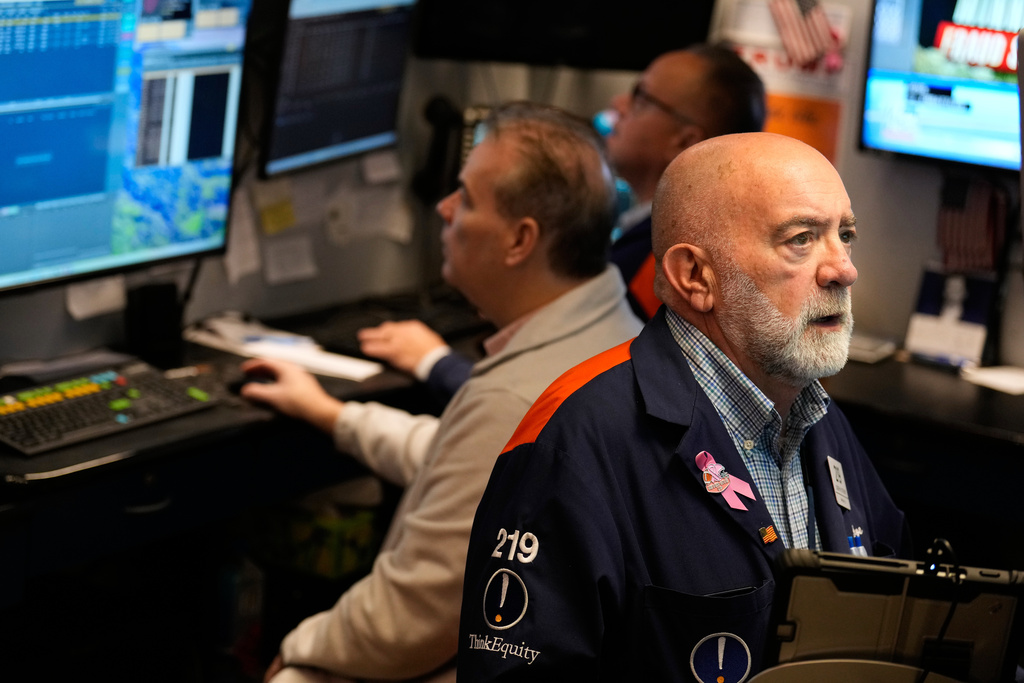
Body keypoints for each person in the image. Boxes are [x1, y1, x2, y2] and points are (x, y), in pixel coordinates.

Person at [456, 132, 912, 681]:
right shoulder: (574, 444)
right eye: (801, 239)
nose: (843, 269)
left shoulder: (817, 417)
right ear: (696, 276)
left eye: (845, 235)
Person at [240, 101, 643, 683]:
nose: (444, 208)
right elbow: (460, 464)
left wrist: (301, 643)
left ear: (519, 241)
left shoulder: (519, 396)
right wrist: (334, 415)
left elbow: (406, 621)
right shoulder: (610, 326)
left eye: (468, 199)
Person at [357, 42, 766, 401]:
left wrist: (434, 363)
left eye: (641, 97)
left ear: (686, 140)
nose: (619, 105)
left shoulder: (664, 266)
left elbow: (560, 397)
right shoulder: (671, 238)